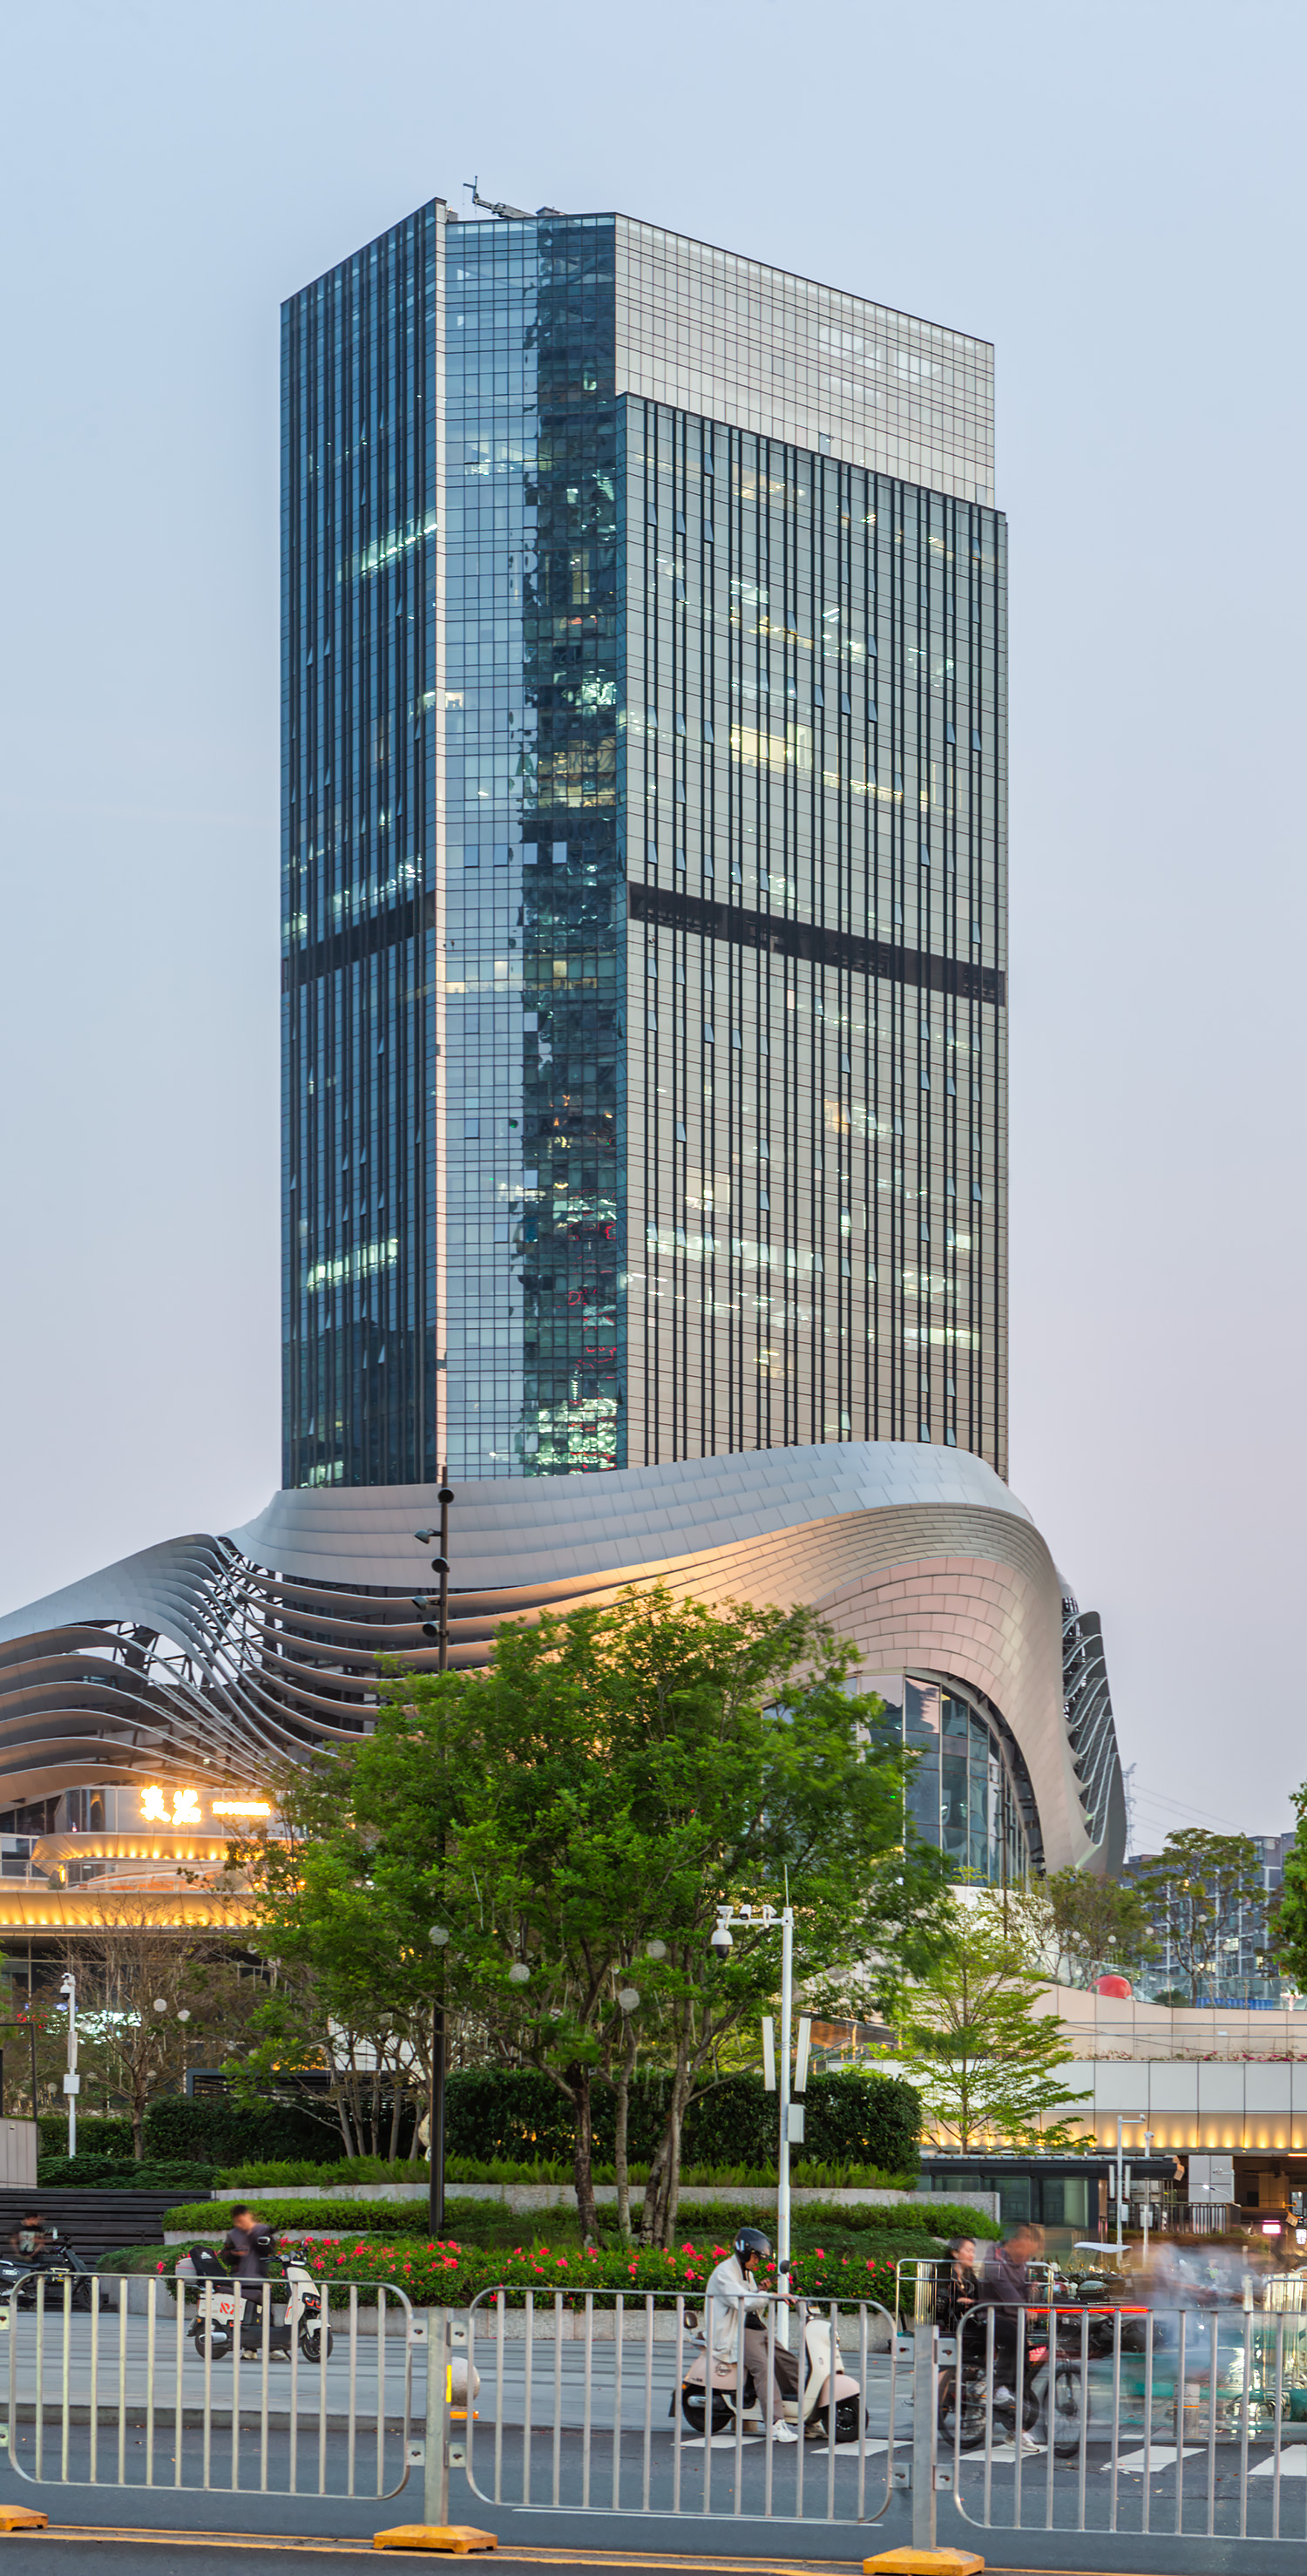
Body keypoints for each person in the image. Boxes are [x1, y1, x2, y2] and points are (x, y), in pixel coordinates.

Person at [701, 2227, 800, 2443]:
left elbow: (751, 2300)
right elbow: (740, 2300)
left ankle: (808, 2415)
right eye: (756, 2256)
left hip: (756, 2328)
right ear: (745, 2252)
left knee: (789, 2362)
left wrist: (761, 2290)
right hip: (736, 2332)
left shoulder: (747, 2273)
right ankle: (775, 2424)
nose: (757, 2261)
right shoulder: (724, 2272)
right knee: (763, 2368)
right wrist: (773, 2294)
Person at [981, 2220, 1043, 2454]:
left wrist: (1031, 2288)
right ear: (1014, 2241)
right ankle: (998, 2389)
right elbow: (1005, 2289)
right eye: (1028, 2241)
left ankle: (1017, 2429)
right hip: (990, 2316)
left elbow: (1019, 2288)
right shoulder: (994, 2260)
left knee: (1025, 2370)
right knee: (1014, 2341)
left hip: (1013, 2318)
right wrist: (1023, 2306)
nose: (1031, 2249)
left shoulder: (1021, 2263)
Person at [939, 2236, 980, 2339]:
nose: (972, 2255)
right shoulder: (941, 2274)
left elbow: (980, 2297)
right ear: (955, 2253)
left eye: (973, 2251)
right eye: (968, 2251)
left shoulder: (970, 2278)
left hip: (968, 2323)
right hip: (948, 2324)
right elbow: (939, 2302)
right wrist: (958, 2301)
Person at [220, 2204, 272, 2282]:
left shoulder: (263, 2231)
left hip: (259, 2278)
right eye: (237, 2221)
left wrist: (252, 2235)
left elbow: (269, 2250)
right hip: (238, 2280)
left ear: (248, 2215)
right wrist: (233, 2254)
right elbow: (226, 2256)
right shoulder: (233, 2234)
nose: (241, 2224)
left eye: (242, 2221)